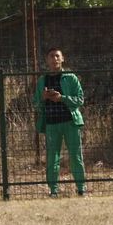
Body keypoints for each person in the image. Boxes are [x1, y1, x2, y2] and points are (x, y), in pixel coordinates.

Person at [34, 48, 86, 197]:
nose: (54, 59)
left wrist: (62, 98)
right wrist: (43, 97)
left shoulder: (70, 77)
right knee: (52, 158)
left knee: (76, 156)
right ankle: (53, 190)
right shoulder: (42, 80)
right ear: (47, 60)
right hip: (51, 123)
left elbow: (80, 100)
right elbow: (36, 104)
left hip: (70, 122)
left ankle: (81, 188)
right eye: (51, 56)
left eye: (57, 56)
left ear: (62, 59)